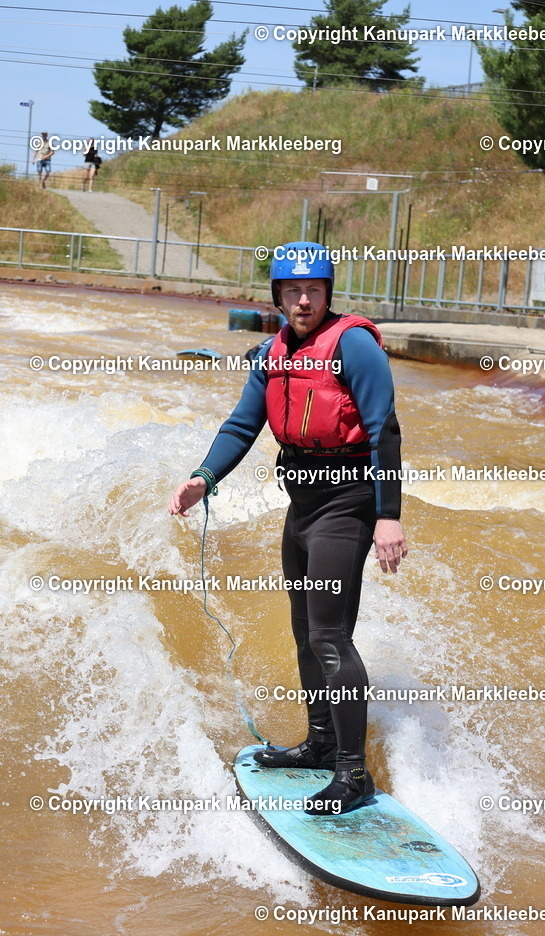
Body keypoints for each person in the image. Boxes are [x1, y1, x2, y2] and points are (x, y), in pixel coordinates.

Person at [168, 242, 407, 814]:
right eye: (293, 292)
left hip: (347, 505)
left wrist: (388, 515)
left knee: (330, 636)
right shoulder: (271, 352)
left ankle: (353, 773)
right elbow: (242, 424)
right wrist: (205, 476)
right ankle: (322, 744)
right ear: (277, 297)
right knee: (305, 632)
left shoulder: (353, 345)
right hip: (301, 507)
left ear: (328, 293)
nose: (304, 300)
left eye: (314, 291)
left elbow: (385, 430)